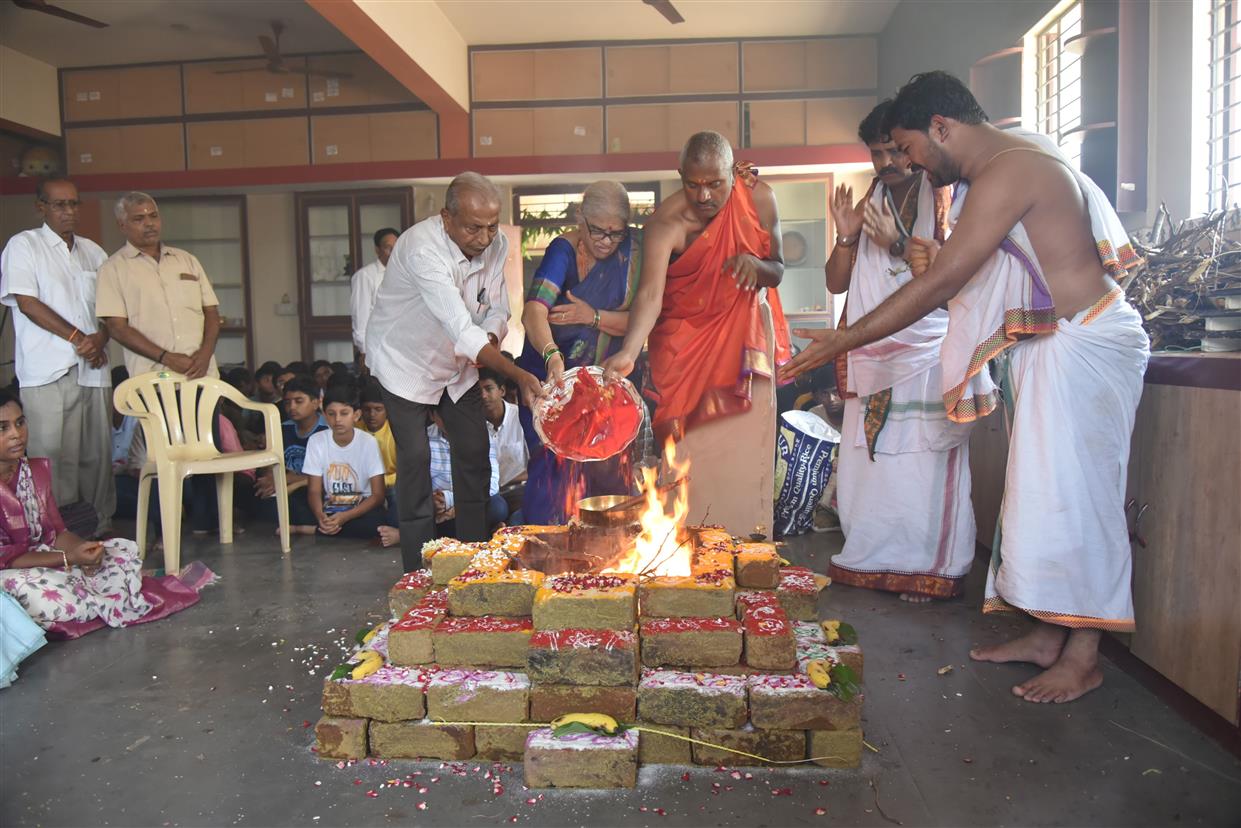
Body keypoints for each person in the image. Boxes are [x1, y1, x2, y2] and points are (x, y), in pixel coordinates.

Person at [779, 71, 1149, 703]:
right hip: (1052, 348)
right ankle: (1046, 635)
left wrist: (842, 340)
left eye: (911, 146)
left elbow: (942, 284)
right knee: (1039, 503)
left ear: (942, 128)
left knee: (1083, 504)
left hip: (1085, 342)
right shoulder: (1006, 161)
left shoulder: (1008, 170)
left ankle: (1084, 655)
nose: (909, 161)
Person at [601, 132, 792, 537]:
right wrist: (630, 351)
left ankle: (746, 543)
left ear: (732, 173)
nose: (703, 195)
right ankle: (685, 547)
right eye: (693, 184)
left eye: (714, 184)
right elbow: (651, 294)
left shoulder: (759, 198)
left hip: (741, 345)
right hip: (683, 349)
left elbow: (776, 268)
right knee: (688, 460)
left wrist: (755, 267)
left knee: (744, 456)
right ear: (680, 176)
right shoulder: (666, 223)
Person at [823, 101, 976, 602]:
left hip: (925, 354)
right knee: (873, 467)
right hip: (872, 352)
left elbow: (950, 275)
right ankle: (876, 558)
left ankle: (929, 568)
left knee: (919, 465)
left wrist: (895, 243)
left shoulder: (943, 192)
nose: (886, 162)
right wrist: (847, 236)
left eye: (894, 150)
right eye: (876, 153)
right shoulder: (873, 196)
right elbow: (836, 281)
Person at [364, 172, 544, 572]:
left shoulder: (495, 244)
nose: (484, 238)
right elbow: (461, 328)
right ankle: (419, 569)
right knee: (415, 459)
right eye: (473, 228)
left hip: (456, 365)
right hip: (404, 362)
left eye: (492, 226)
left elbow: (497, 307)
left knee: (475, 451)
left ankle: (475, 562)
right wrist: (515, 374)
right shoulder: (420, 249)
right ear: (446, 218)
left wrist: (493, 340)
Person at [0, 388, 206, 634]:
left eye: (20, 423)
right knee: (36, 595)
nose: (16, 434)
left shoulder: (33, 471)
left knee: (118, 554)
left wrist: (86, 552)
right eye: (3, 428)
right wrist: (70, 559)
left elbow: (58, 532)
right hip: (10, 570)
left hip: (46, 558)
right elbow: (8, 557)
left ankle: (86, 597)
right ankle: (85, 600)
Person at [516, 181, 638, 523]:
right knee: (552, 470)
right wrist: (552, 354)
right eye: (597, 230)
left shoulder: (633, 255)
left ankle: (607, 557)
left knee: (608, 469)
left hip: (605, 384)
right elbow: (533, 311)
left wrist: (593, 317)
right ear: (579, 218)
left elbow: (644, 320)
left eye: (615, 233)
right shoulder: (562, 251)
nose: (605, 241)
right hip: (555, 383)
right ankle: (547, 551)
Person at [0, 176, 115, 533]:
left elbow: (114, 310)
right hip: (49, 372)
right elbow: (28, 302)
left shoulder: (94, 252)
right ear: (41, 207)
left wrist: (100, 338)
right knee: (51, 461)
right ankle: (56, 536)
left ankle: (100, 532)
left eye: (74, 204)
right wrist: (80, 338)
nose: (69, 211)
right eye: (60, 204)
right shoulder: (24, 246)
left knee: (97, 459)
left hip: (93, 370)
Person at [96, 192, 220, 379]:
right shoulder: (112, 268)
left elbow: (211, 313)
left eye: (153, 216)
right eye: (139, 219)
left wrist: (205, 355)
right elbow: (117, 328)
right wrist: (166, 358)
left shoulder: (187, 260)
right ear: (122, 225)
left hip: (202, 374)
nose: (149, 224)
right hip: (152, 378)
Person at [300, 382, 387, 539]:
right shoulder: (316, 441)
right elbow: (313, 490)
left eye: (344, 413)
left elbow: (378, 495)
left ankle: (311, 530)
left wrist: (344, 517)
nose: (337, 419)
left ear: (356, 415)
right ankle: (323, 527)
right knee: (294, 507)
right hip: (331, 504)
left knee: (377, 525)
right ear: (324, 415)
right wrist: (321, 517)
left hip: (361, 505)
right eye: (331, 414)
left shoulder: (368, 442)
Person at [255, 375, 327, 529]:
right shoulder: (282, 429)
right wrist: (269, 477)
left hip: (312, 489)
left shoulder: (326, 431)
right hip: (285, 485)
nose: (292, 407)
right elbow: (270, 461)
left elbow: (326, 475)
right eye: (287, 403)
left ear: (315, 403)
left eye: (299, 401)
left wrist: (283, 479)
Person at [351, 227, 399, 373]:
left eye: (396, 247)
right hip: (376, 349)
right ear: (377, 250)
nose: (393, 252)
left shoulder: (404, 273)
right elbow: (360, 315)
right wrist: (364, 351)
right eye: (388, 248)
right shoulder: (365, 276)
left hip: (401, 348)